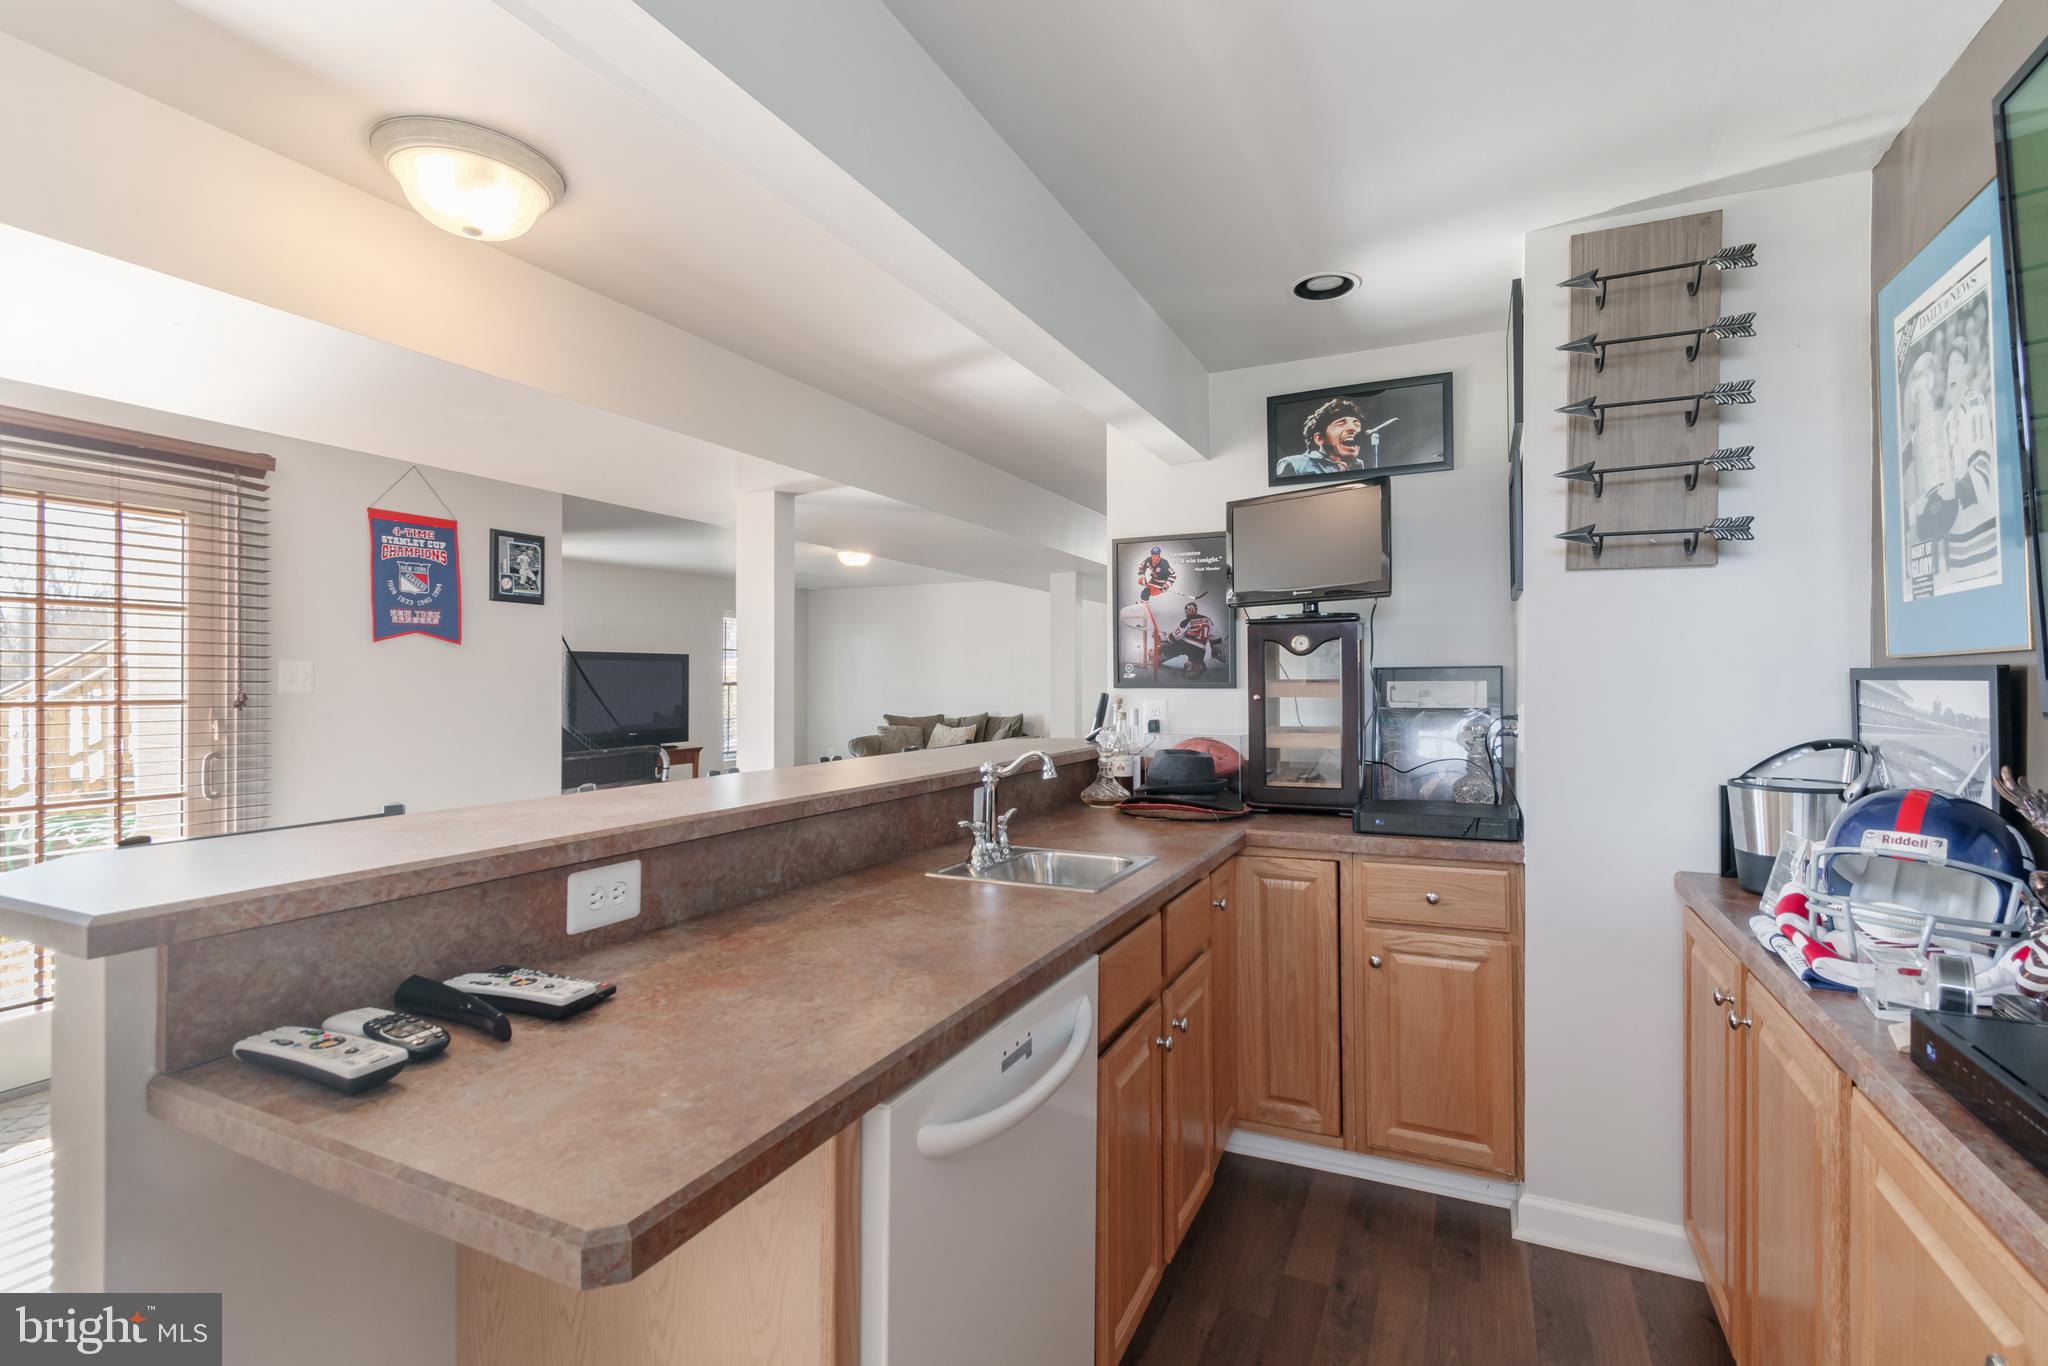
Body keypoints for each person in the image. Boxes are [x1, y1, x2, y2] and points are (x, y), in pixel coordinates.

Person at [1275, 397, 1366, 477]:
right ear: (1319, 438)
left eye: (1357, 425)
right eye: (1341, 423)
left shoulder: (1359, 467)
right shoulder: (1293, 464)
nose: (1353, 429)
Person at [1159, 600, 1220, 678]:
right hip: (1201, 649)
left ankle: (1162, 655)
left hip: (1186, 645)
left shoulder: (1186, 621)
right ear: (1196, 610)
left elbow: (1176, 637)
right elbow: (1216, 637)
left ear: (1187, 611)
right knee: (1195, 664)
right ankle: (1196, 665)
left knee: (1173, 647)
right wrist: (1216, 650)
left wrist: (1165, 640)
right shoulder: (1208, 620)